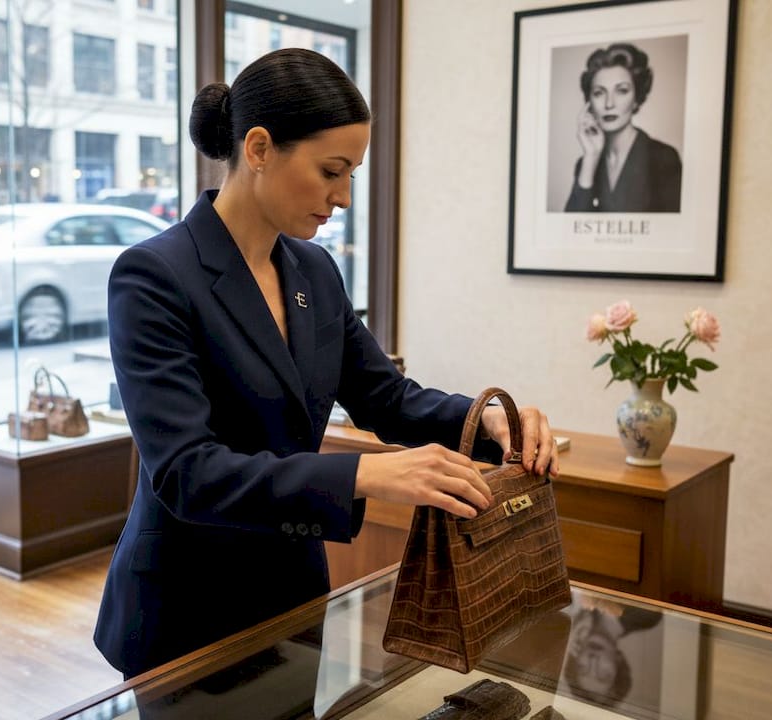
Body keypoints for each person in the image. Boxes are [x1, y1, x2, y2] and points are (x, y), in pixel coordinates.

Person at [93, 47, 561, 679]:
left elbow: (386, 399)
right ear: (258, 148)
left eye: (352, 176)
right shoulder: (154, 276)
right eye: (330, 171)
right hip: (187, 607)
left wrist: (487, 423)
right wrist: (367, 475)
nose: (342, 197)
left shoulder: (313, 270)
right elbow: (187, 473)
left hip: (291, 592)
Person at [564, 42, 682, 213]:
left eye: (622, 91)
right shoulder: (585, 164)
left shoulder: (663, 159)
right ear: (589, 103)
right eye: (599, 93)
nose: (609, 103)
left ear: (636, 99)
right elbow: (568, 233)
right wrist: (590, 158)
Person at [562, 597, 662, 709]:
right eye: (604, 674)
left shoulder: (570, 612)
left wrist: (574, 617)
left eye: (582, 668)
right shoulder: (646, 617)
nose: (593, 660)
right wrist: (596, 600)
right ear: (619, 661)